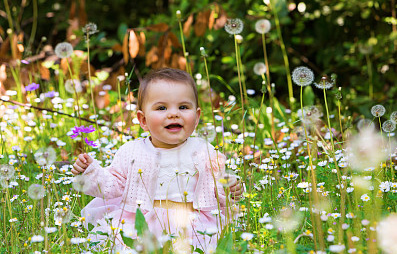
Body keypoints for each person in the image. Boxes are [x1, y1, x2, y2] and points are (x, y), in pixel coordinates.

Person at [72, 68, 243, 252]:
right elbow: (112, 185)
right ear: (143, 120)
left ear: (197, 117)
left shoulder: (204, 151)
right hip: (144, 222)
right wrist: (90, 172)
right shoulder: (132, 151)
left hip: (191, 224)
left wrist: (233, 189)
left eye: (183, 107)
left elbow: (218, 187)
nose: (173, 114)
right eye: (161, 108)